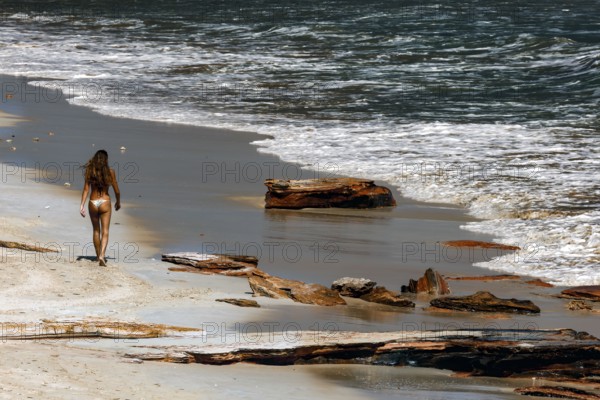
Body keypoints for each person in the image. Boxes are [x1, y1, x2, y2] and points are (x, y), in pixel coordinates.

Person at [80, 150, 121, 266]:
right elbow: (116, 190)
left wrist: (81, 205)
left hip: (93, 202)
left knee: (96, 230)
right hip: (105, 202)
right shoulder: (110, 172)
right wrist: (118, 202)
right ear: (106, 160)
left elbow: (86, 190)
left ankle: (98, 256)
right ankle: (102, 255)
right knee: (105, 231)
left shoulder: (90, 171)